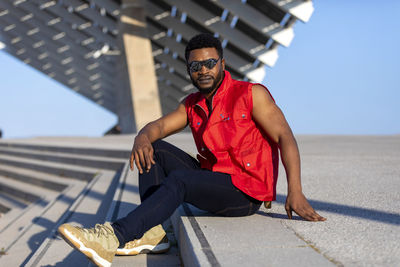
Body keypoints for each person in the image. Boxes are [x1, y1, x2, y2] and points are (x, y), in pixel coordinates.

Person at [58, 33, 326, 267]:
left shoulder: (251, 94)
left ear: (222, 64)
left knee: (180, 180)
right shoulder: (192, 104)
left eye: (210, 63)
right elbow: (159, 127)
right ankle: (153, 233)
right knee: (156, 148)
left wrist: (296, 191)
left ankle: (113, 236)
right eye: (195, 66)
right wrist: (142, 137)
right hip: (213, 179)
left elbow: (285, 136)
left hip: (246, 191)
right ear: (188, 69)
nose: (203, 70)